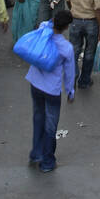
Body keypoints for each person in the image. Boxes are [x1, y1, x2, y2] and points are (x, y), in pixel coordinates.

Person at [26, 10, 76, 173]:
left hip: (35, 83)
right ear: (66, 27)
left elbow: (46, 23)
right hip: (52, 90)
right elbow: (69, 73)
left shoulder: (43, 29)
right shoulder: (66, 48)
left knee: (38, 118)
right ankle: (47, 161)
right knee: (50, 125)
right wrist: (70, 91)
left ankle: (36, 153)